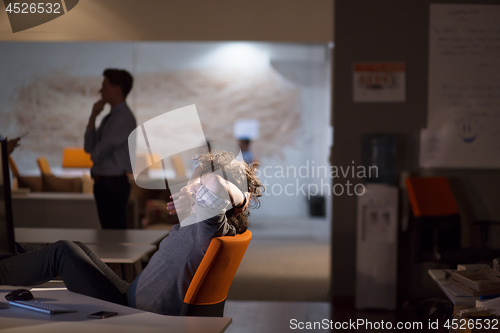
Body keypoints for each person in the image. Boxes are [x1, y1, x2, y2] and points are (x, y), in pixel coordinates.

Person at [0, 150, 264, 316]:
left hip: (132, 310)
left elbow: (216, 183)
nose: (187, 186)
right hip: (131, 295)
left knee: (63, 253)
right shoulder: (209, 225)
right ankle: (7, 254)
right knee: (75, 247)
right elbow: (215, 186)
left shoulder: (210, 226)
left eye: (194, 180)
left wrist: (236, 197)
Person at [84, 69, 137, 229]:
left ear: (117, 89)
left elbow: (97, 154)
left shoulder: (123, 118)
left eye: (104, 86)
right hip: (107, 184)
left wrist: (95, 153)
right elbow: (89, 147)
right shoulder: (111, 117)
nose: (101, 90)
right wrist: (93, 116)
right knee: (110, 234)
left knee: (114, 237)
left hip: (113, 185)